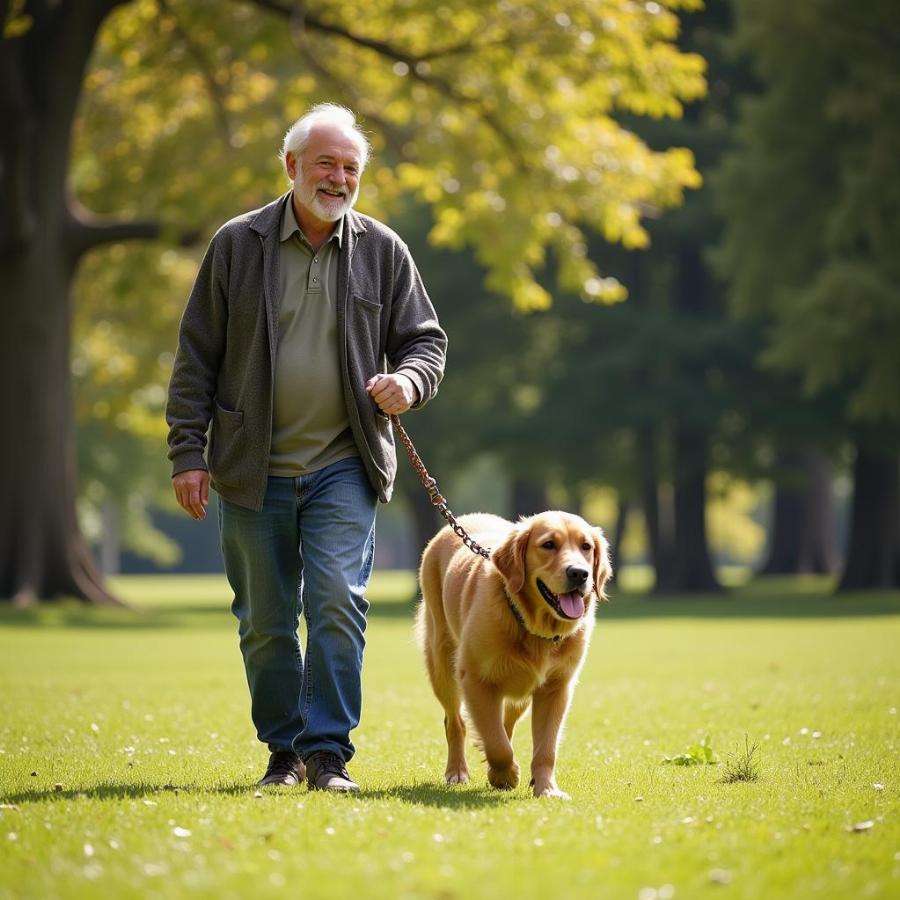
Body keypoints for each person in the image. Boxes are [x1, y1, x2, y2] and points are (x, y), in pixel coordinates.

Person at [166, 103, 447, 792]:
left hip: (343, 465)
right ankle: (282, 754)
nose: (339, 177)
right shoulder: (237, 245)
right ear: (291, 166)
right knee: (264, 622)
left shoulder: (383, 250)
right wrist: (187, 452)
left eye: (351, 167)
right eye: (326, 163)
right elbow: (196, 356)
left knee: (336, 603)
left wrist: (408, 383)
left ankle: (327, 756)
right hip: (248, 468)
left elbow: (425, 341)